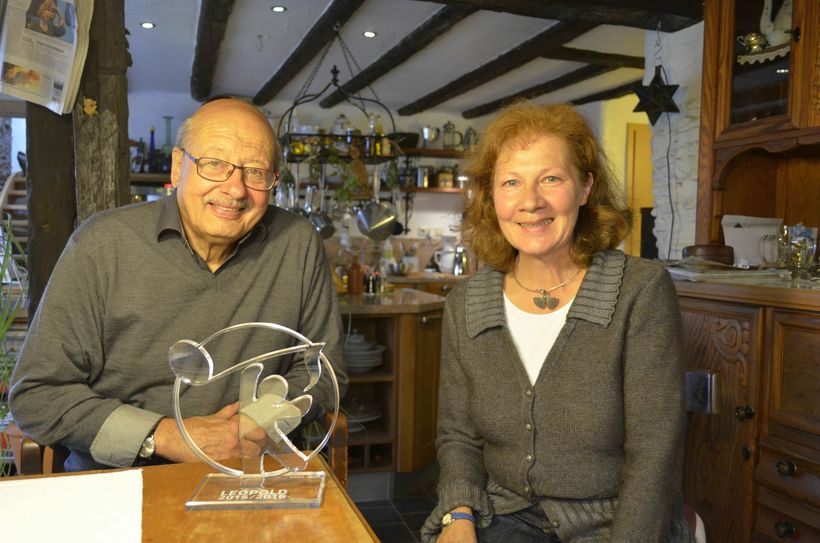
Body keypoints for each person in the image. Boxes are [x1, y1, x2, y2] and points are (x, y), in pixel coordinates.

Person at [9, 98, 347, 471]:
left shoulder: (296, 242)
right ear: (177, 165)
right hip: (124, 479)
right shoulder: (101, 244)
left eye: (255, 172)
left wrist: (257, 423)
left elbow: (326, 371)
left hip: (255, 472)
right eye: (214, 164)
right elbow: (37, 395)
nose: (235, 190)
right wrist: (169, 436)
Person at [421, 101, 695, 543]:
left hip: (613, 522)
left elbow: (654, 455)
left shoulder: (640, 291)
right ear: (492, 197)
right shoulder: (468, 302)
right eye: (511, 182)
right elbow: (459, 437)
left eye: (551, 178)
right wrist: (458, 517)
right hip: (501, 514)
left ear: (585, 188)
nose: (531, 201)